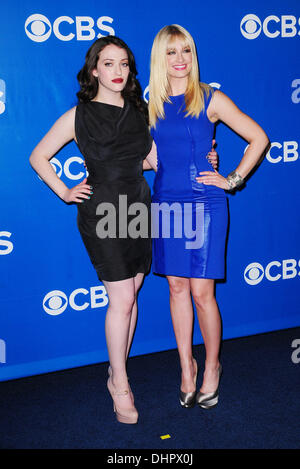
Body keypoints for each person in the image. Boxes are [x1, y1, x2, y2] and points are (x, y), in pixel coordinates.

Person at [29, 34, 218, 424]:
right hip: (103, 212)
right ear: (94, 69)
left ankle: (117, 370)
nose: (117, 71)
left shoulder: (140, 110)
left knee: (131, 292)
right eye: (108, 63)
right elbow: (39, 155)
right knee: (122, 299)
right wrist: (65, 191)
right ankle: (119, 381)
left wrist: (207, 155)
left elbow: (155, 160)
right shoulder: (78, 116)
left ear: (131, 70)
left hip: (138, 208)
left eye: (123, 64)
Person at [147, 25, 269, 409]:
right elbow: (152, 159)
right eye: (171, 52)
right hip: (166, 202)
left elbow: (259, 138)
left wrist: (230, 179)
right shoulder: (149, 105)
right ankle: (187, 367)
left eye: (185, 50)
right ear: (160, 59)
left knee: (202, 293)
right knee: (176, 289)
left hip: (205, 204)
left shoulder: (210, 98)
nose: (180, 59)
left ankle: (212, 366)